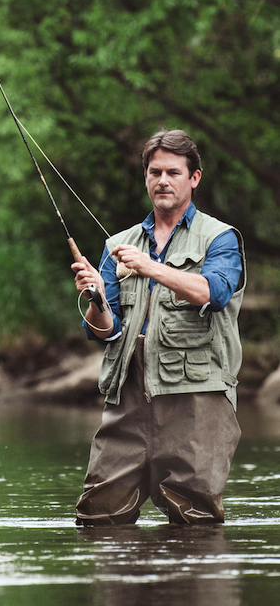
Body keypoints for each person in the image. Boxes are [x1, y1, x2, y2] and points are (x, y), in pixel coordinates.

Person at [70, 129, 245, 525]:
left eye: (173, 172)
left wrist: (149, 266)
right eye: (154, 172)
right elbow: (105, 331)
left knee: (195, 520)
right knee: (98, 516)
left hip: (196, 398)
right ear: (146, 177)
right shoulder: (119, 243)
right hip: (128, 396)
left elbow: (212, 292)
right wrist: (95, 298)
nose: (162, 180)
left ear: (194, 178)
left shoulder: (220, 238)